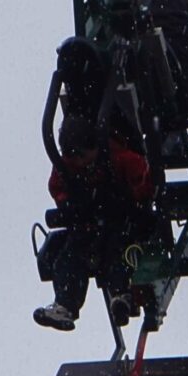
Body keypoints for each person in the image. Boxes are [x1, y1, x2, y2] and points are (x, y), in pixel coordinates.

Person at [33, 115, 154, 331]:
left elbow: (142, 179)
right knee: (69, 258)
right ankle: (66, 304)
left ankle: (121, 295)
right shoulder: (66, 169)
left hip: (119, 221)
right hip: (87, 225)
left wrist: (133, 201)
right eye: (73, 157)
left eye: (82, 156)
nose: (80, 162)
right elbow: (57, 188)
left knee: (117, 252)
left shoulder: (118, 157)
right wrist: (68, 206)